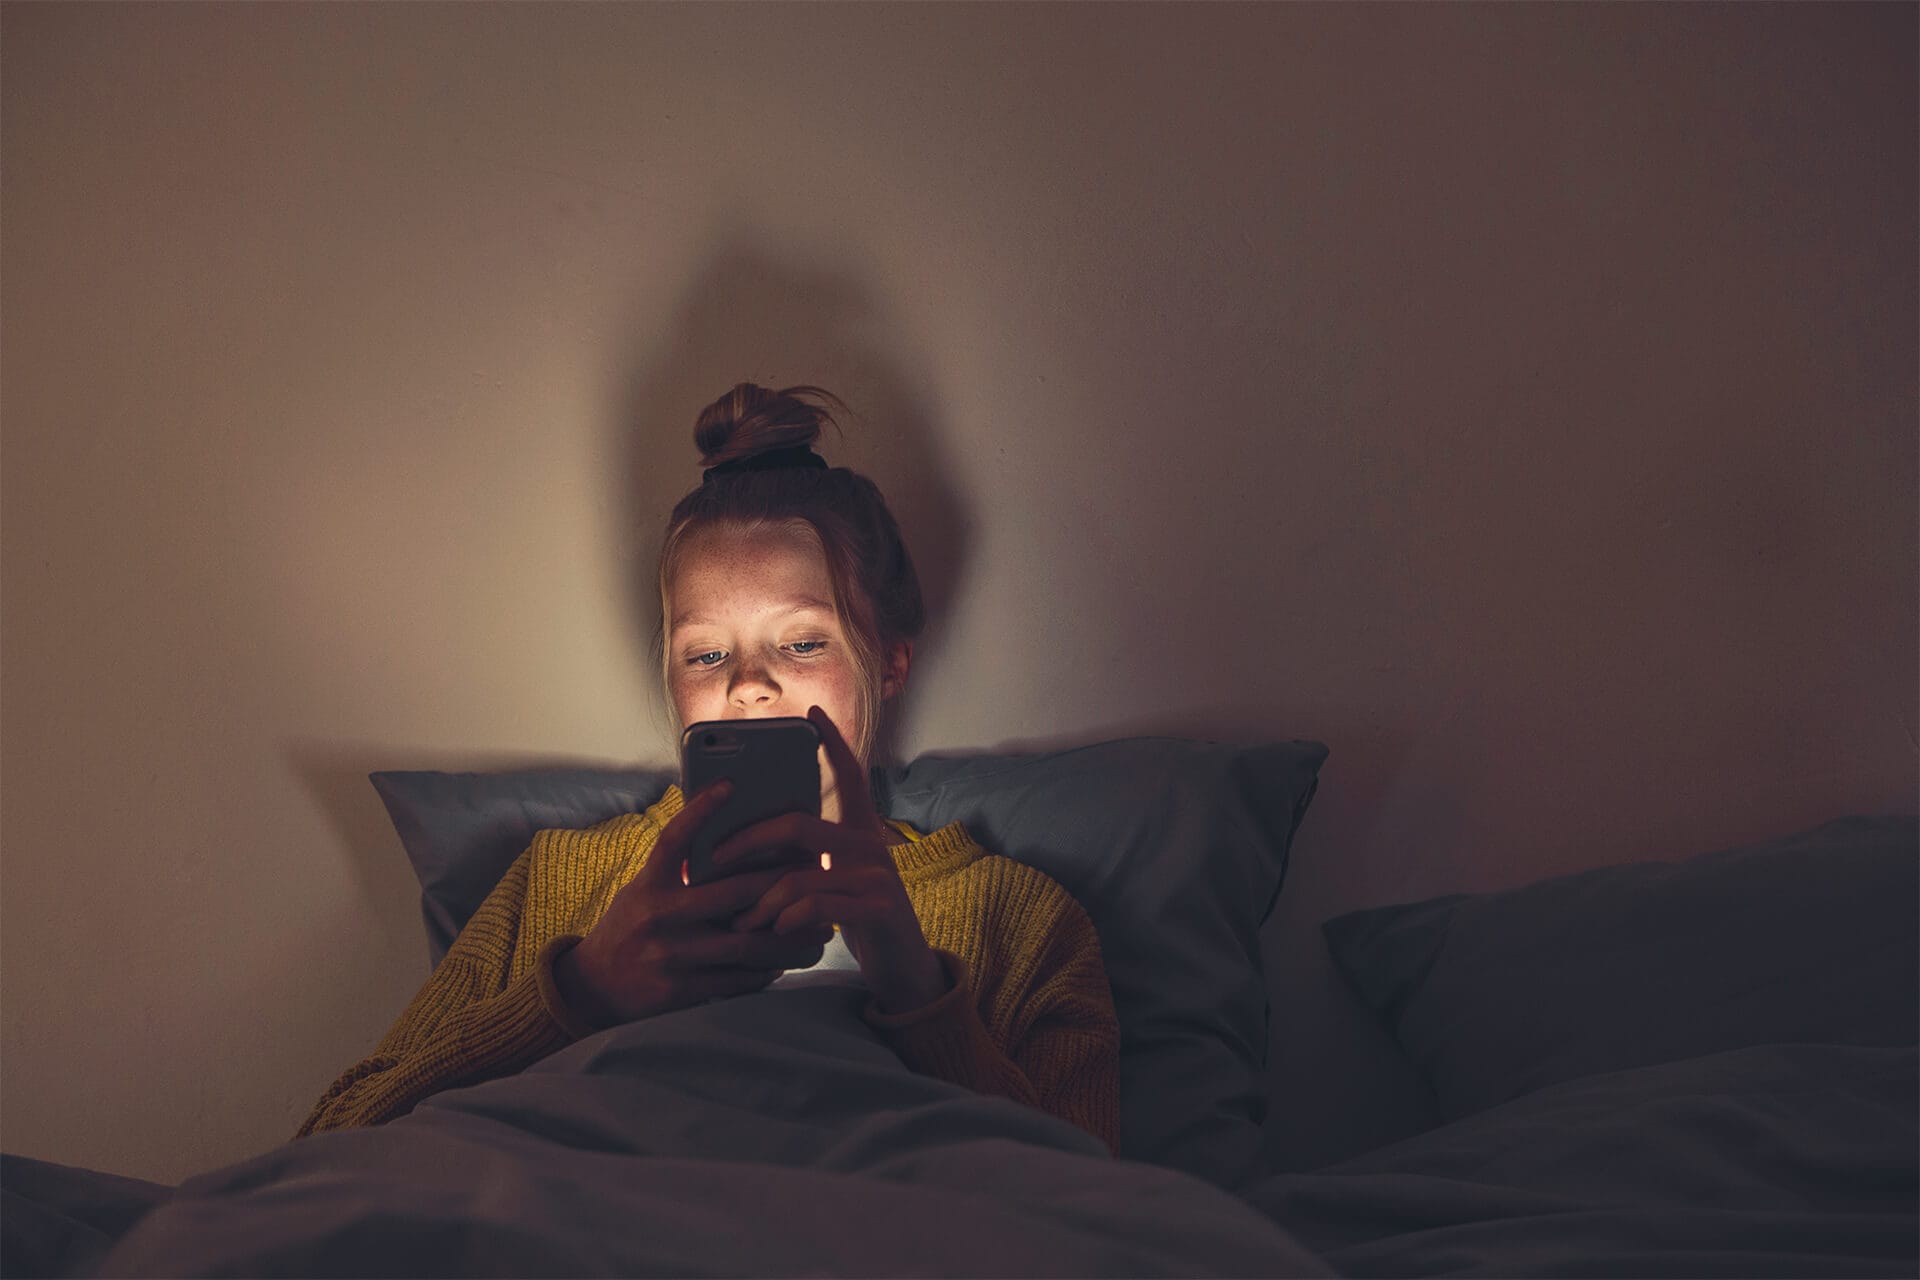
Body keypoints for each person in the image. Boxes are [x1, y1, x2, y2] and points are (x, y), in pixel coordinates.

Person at [297, 383, 1120, 1152]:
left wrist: (916, 991)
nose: (748, 683)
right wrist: (581, 994)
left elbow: (1098, 1219)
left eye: (802, 643)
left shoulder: (1021, 916)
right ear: (669, 677)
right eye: (706, 653)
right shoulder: (561, 878)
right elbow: (328, 1145)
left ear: (890, 661)